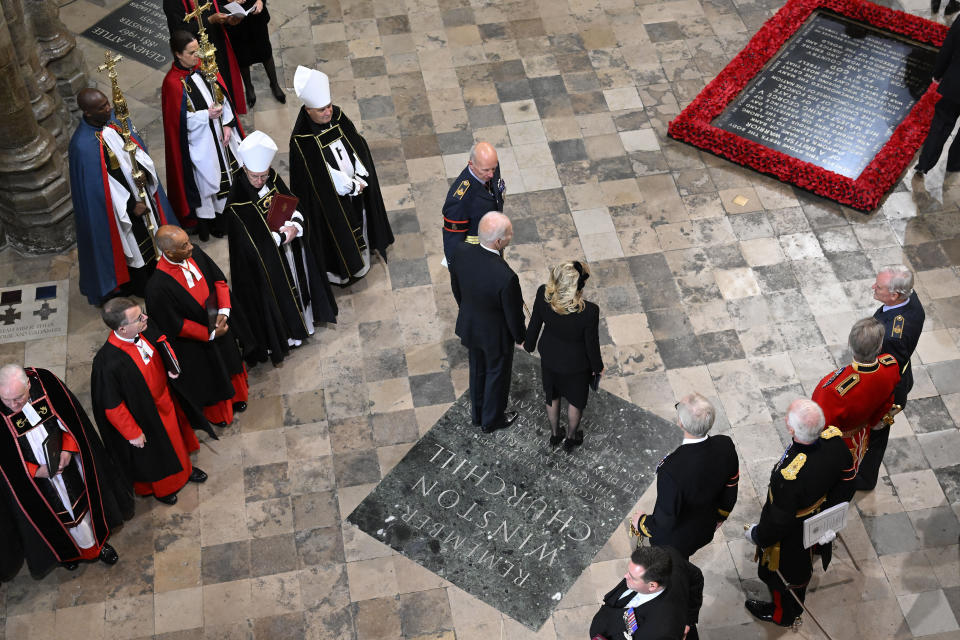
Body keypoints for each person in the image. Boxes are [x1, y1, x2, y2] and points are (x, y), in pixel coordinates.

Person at [0, 366, 132, 578]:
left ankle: (97, 547)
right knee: (53, 521)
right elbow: (6, 464)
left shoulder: (45, 383)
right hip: (37, 482)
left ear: (29, 386)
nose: (13, 405)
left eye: (18, 398)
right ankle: (68, 555)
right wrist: (35, 471)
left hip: (67, 465)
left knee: (82, 508)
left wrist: (69, 449)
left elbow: (71, 421)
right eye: (7, 400)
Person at [225, 131, 338, 366]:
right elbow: (246, 241)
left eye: (264, 175)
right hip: (266, 264)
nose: (260, 181)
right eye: (255, 176)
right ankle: (287, 336)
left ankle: (305, 323)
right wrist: (276, 238)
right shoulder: (238, 199)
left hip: (289, 252)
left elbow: (291, 202)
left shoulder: (272, 179)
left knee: (299, 284)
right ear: (245, 170)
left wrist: (296, 224)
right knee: (279, 296)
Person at [743, 399, 856, 628]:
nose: (785, 420)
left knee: (781, 576)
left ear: (792, 429)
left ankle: (784, 615)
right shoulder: (834, 441)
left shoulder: (788, 478)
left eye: (787, 418)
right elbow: (848, 480)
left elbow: (778, 523)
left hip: (793, 534)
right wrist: (829, 515)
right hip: (818, 516)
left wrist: (757, 536)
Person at [91, 298, 210, 506]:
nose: (145, 318)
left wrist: (171, 365)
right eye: (138, 318)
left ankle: (185, 470)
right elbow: (112, 405)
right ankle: (164, 489)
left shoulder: (145, 326)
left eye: (142, 313)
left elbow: (162, 341)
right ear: (122, 328)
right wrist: (132, 432)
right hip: (145, 415)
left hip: (166, 399)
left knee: (176, 439)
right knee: (157, 453)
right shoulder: (107, 363)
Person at [69, 88, 175, 306]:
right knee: (135, 244)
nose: (108, 109)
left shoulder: (116, 123)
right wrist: (128, 205)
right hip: (120, 208)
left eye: (107, 103)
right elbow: (97, 187)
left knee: (152, 231)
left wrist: (144, 173)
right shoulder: (82, 145)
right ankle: (140, 284)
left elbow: (137, 151)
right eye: (101, 108)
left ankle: (161, 271)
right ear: (87, 113)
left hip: (140, 190)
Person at [289, 65, 394, 284]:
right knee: (340, 235)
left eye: (328, 106)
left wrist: (361, 174)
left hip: (357, 188)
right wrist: (350, 185)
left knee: (362, 222)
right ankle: (344, 270)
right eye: (321, 110)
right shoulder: (302, 140)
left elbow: (357, 143)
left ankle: (362, 258)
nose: (328, 112)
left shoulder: (337, 116)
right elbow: (320, 176)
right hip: (332, 201)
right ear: (308, 110)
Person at [145, 225, 250, 427]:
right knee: (213, 376)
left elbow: (219, 281)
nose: (191, 247)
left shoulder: (197, 253)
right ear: (169, 252)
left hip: (219, 322)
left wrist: (224, 312)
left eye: (188, 241)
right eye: (184, 246)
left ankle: (238, 398)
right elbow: (176, 325)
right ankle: (220, 413)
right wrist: (209, 334)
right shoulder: (157, 288)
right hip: (197, 343)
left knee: (230, 361)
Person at [631, 393, 739, 558]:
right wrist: (720, 517)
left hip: (675, 541)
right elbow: (731, 487)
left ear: (680, 423)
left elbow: (665, 521)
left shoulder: (671, 472)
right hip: (705, 527)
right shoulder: (725, 445)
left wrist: (641, 523)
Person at [162, 30, 243, 239]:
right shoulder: (172, 83)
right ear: (177, 54)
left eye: (197, 50)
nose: (197, 56)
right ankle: (217, 224)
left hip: (221, 134)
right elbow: (178, 123)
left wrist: (227, 124)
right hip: (200, 143)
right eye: (191, 52)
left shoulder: (202, 67)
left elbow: (222, 95)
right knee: (210, 182)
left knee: (233, 173)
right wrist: (205, 115)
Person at [450, 212, 525, 433]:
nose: (512, 234)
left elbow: (457, 289)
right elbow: (513, 314)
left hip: (471, 325)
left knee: (477, 369)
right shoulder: (506, 276)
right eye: (510, 232)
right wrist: (520, 337)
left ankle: (478, 414)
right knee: (496, 375)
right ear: (499, 241)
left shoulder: (461, 251)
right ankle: (491, 420)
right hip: (495, 335)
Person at [856, 265, 926, 490]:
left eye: (879, 287)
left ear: (895, 295)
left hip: (889, 394)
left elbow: (888, 373)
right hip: (898, 374)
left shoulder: (893, 336)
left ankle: (865, 479)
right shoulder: (911, 300)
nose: (873, 287)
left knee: (874, 437)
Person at [522, 261, 602, 451]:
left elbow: (534, 325)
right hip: (576, 365)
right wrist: (598, 368)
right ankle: (571, 438)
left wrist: (529, 345)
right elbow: (592, 345)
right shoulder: (589, 311)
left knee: (552, 395)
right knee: (575, 401)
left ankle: (555, 434)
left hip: (550, 357)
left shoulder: (544, 294)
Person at [811, 318, 900, 474]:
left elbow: (817, 429)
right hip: (860, 436)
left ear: (850, 345)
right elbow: (886, 404)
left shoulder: (832, 389)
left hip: (838, 445)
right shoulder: (891, 366)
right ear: (879, 347)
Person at [590, 545, 703, 640]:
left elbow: (695, 576)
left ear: (652, 586)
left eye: (632, 577)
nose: (625, 577)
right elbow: (696, 575)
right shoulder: (666, 554)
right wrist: (690, 619)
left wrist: (689, 620)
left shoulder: (661, 632)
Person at [163, 0, 246, 115]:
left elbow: (213, 6)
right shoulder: (172, 2)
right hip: (196, 54)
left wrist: (228, 18)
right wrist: (209, 20)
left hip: (216, 43)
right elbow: (178, 32)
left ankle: (229, 117)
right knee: (207, 95)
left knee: (225, 83)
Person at [442, 142, 505, 267]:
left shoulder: (491, 167)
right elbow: (453, 243)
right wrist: (458, 272)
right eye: (486, 170)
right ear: (471, 164)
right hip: (476, 257)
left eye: (493, 168)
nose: (491, 174)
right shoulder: (459, 200)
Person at [915, 14, 960, 176]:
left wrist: (938, 72)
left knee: (941, 123)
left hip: (956, 83)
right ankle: (954, 167)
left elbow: (949, 46)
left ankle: (924, 164)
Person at [226, 0, 285, 106]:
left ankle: (274, 84)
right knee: (242, 57)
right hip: (235, 21)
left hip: (255, 16)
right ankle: (249, 87)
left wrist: (260, 1)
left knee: (265, 52)